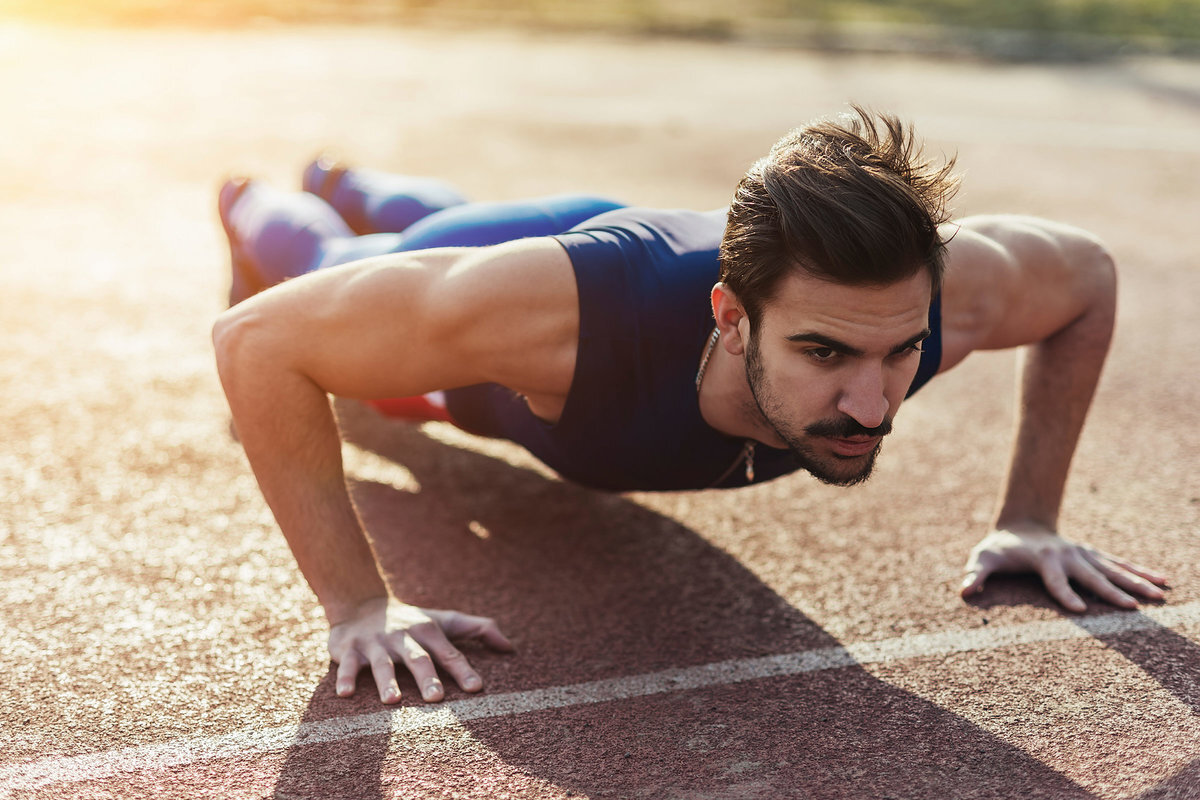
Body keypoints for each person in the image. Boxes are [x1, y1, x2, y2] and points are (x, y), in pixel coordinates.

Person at [212, 107, 1169, 706]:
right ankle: (254, 198)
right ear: (733, 318)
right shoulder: (571, 321)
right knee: (344, 285)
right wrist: (359, 607)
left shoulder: (947, 297)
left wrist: (1033, 518)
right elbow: (255, 341)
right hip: (551, 287)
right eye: (825, 352)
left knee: (436, 231)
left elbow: (1084, 272)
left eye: (902, 350)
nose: (875, 406)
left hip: (583, 266)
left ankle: (348, 177)